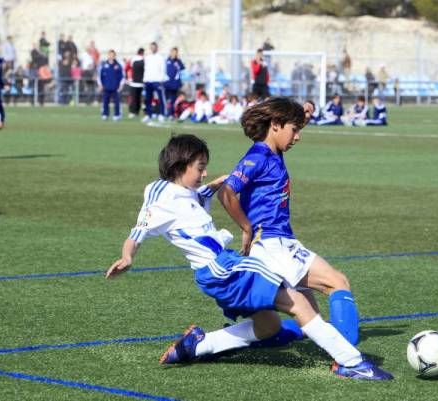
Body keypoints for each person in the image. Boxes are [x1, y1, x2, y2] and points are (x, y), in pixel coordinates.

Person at [106, 133, 393, 381]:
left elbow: (202, 193)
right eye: (200, 167)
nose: (204, 173)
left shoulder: (189, 191)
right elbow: (138, 230)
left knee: (268, 326)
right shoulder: (159, 192)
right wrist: (127, 256)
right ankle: (352, 363)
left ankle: (197, 346)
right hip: (221, 269)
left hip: (224, 268)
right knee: (299, 302)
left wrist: (223, 181)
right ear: (180, 166)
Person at [218, 97, 366, 350]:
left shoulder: (273, 150)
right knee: (337, 282)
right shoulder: (258, 156)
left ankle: (229, 341)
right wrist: (246, 227)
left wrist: (302, 116)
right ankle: (347, 359)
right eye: (294, 130)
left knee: (311, 320)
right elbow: (226, 192)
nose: (297, 137)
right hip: (273, 243)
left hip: (278, 242)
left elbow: (286, 130)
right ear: (275, 125)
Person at [142, 42, 167, 125]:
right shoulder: (147, 57)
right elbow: (146, 69)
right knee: (148, 99)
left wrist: (161, 79)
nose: (153, 48)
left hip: (157, 81)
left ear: (157, 48)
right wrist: (145, 79)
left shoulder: (160, 57)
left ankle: (161, 114)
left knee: (160, 98)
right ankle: (148, 115)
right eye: (151, 47)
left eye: (154, 47)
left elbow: (163, 69)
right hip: (148, 80)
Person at [98, 50, 124, 121]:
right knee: (105, 101)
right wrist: (100, 85)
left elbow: (122, 77)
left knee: (116, 102)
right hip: (106, 87)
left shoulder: (118, 66)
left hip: (115, 87)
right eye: (110, 55)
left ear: (115, 56)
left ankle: (117, 115)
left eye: (113, 55)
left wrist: (121, 85)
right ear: (108, 55)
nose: (111, 56)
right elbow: (100, 76)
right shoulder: (104, 65)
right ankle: (105, 114)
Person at [165, 47, 186, 119]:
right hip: (167, 83)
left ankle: (171, 113)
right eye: (173, 52)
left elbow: (183, 68)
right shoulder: (166, 60)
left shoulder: (178, 61)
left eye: (176, 52)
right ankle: (165, 113)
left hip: (175, 84)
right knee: (167, 99)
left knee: (173, 99)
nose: (174, 54)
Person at [126, 48, 145, 118]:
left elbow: (127, 69)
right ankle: (135, 112)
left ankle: (132, 112)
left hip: (134, 82)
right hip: (139, 82)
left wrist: (128, 78)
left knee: (133, 98)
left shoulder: (132, 59)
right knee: (138, 98)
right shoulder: (143, 60)